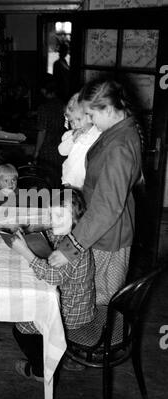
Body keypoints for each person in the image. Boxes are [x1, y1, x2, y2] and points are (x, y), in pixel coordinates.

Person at [49, 79, 143, 305]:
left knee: (94, 298)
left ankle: (89, 337)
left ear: (109, 109)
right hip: (98, 226)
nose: (89, 120)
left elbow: (107, 208)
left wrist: (70, 249)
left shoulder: (119, 147)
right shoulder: (118, 131)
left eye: (92, 114)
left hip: (107, 233)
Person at [11, 188, 96, 379]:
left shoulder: (73, 250)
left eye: (59, 215)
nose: (51, 219)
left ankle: (41, 370)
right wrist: (25, 235)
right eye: (50, 213)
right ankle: (57, 354)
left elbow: (53, 277)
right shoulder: (72, 236)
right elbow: (51, 237)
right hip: (73, 302)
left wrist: (25, 252)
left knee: (21, 328)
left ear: (76, 219)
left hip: (72, 312)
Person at [58, 92, 101, 189]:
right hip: (69, 181)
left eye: (78, 119)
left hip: (87, 184)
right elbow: (62, 151)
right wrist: (72, 139)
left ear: (90, 116)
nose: (75, 124)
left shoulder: (98, 134)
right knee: (69, 203)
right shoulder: (70, 135)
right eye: (72, 121)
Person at [34, 76, 65, 188]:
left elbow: (42, 131)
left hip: (47, 148)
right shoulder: (64, 105)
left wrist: (36, 151)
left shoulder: (44, 107)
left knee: (45, 181)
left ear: (44, 90)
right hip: (62, 147)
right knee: (58, 179)